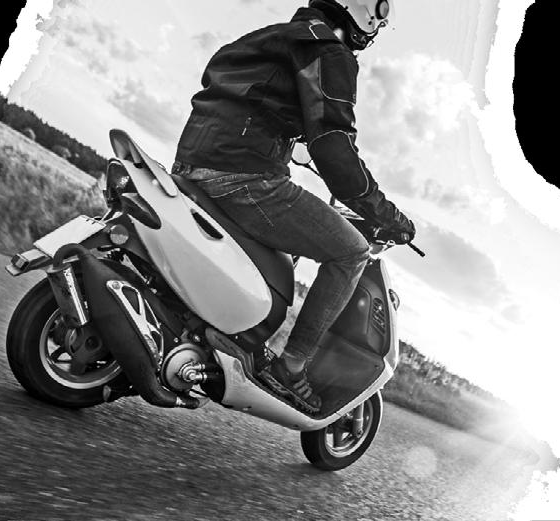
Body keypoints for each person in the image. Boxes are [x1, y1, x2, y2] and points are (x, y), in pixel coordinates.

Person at [172, 0, 415, 413]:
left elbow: (250, 102)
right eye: (379, 18)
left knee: (284, 244)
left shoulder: (271, 36)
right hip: (245, 178)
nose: (377, 27)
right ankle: (292, 367)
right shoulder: (329, 51)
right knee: (351, 251)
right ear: (364, 13)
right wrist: (384, 212)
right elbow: (334, 146)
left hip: (193, 163)